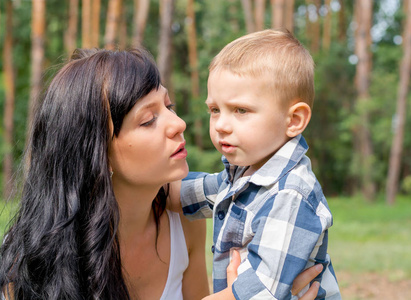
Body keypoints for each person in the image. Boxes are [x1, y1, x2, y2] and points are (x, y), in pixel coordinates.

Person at [0, 47, 320, 300]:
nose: (178, 123)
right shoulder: (28, 263)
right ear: (97, 152)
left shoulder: (184, 222)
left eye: (169, 106)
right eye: (148, 119)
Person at [179, 29, 341, 299]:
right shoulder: (244, 175)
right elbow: (188, 193)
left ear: (294, 120)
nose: (221, 125)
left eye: (240, 110)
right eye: (215, 110)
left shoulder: (290, 192)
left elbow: (261, 290)